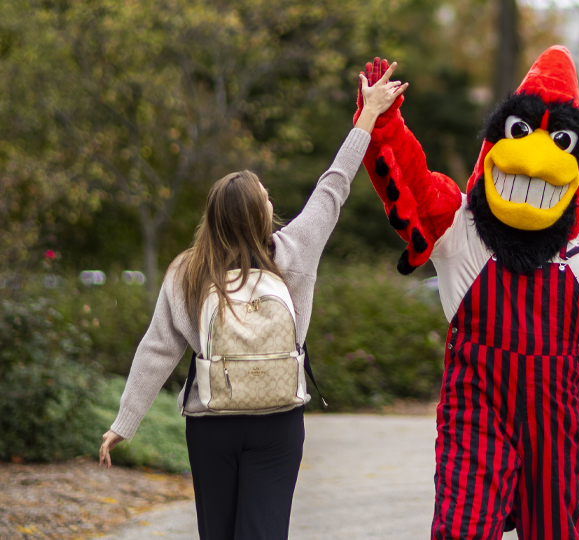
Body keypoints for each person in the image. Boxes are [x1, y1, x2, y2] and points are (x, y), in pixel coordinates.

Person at [98, 62, 407, 540]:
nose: (269, 201)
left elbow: (158, 348)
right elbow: (335, 184)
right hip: (278, 423)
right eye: (264, 196)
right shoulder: (295, 249)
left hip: (210, 425)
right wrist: (366, 115)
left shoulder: (188, 270)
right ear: (257, 213)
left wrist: (125, 422)